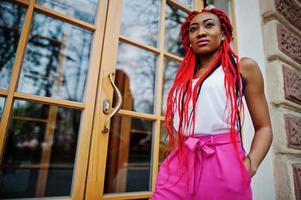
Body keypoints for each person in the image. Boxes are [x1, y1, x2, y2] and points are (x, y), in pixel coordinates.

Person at [150, 6, 273, 200]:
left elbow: (264, 127)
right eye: (193, 29)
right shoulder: (183, 77)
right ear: (188, 40)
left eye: (209, 25)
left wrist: (250, 166)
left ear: (223, 34)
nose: (201, 32)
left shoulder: (242, 67)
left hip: (223, 161)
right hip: (180, 162)